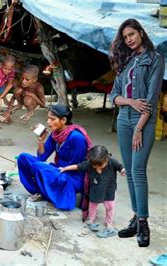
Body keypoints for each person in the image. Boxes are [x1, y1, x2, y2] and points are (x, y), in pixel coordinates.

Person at [109, 18, 164, 247]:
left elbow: (151, 100)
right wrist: (130, 101)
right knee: (129, 173)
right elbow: (115, 96)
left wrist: (139, 128)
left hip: (144, 121)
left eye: (131, 34)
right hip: (124, 119)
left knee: (138, 171)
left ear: (141, 33)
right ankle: (135, 217)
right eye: (125, 37)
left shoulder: (156, 60)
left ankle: (143, 223)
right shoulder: (126, 62)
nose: (129, 39)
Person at [17, 104, 92, 210]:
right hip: (58, 171)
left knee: (39, 167)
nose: (48, 122)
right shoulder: (55, 134)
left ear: (63, 120)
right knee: (23, 158)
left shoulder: (77, 138)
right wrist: (41, 141)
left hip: (72, 177)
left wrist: (50, 169)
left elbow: (78, 167)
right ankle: (39, 190)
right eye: (48, 118)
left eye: (52, 119)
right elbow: (42, 157)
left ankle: (49, 192)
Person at [60, 145, 126, 238]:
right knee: (93, 205)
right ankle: (91, 219)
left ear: (107, 159)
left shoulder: (112, 162)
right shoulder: (90, 164)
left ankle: (109, 224)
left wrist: (123, 170)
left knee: (110, 207)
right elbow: (78, 166)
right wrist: (65, 168)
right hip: (95, 190)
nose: (97, 168)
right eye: (95, 166)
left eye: (100, 166)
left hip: (109, 190)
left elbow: (120, 167)